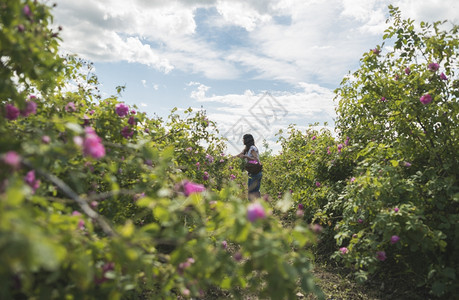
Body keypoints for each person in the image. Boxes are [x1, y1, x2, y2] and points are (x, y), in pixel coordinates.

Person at [234, 134, 262, 200]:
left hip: (255, 173)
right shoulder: (247, 149)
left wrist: (246, 157)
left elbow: (256, 159)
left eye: (243, 139)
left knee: (251, 194)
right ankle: (260, 207)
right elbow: (240, 155)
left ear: (247, 140)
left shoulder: (252, 148)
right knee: (255, 192)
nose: (242, 140)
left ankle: (255, 208)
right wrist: (231, 158)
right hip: (253, 173)